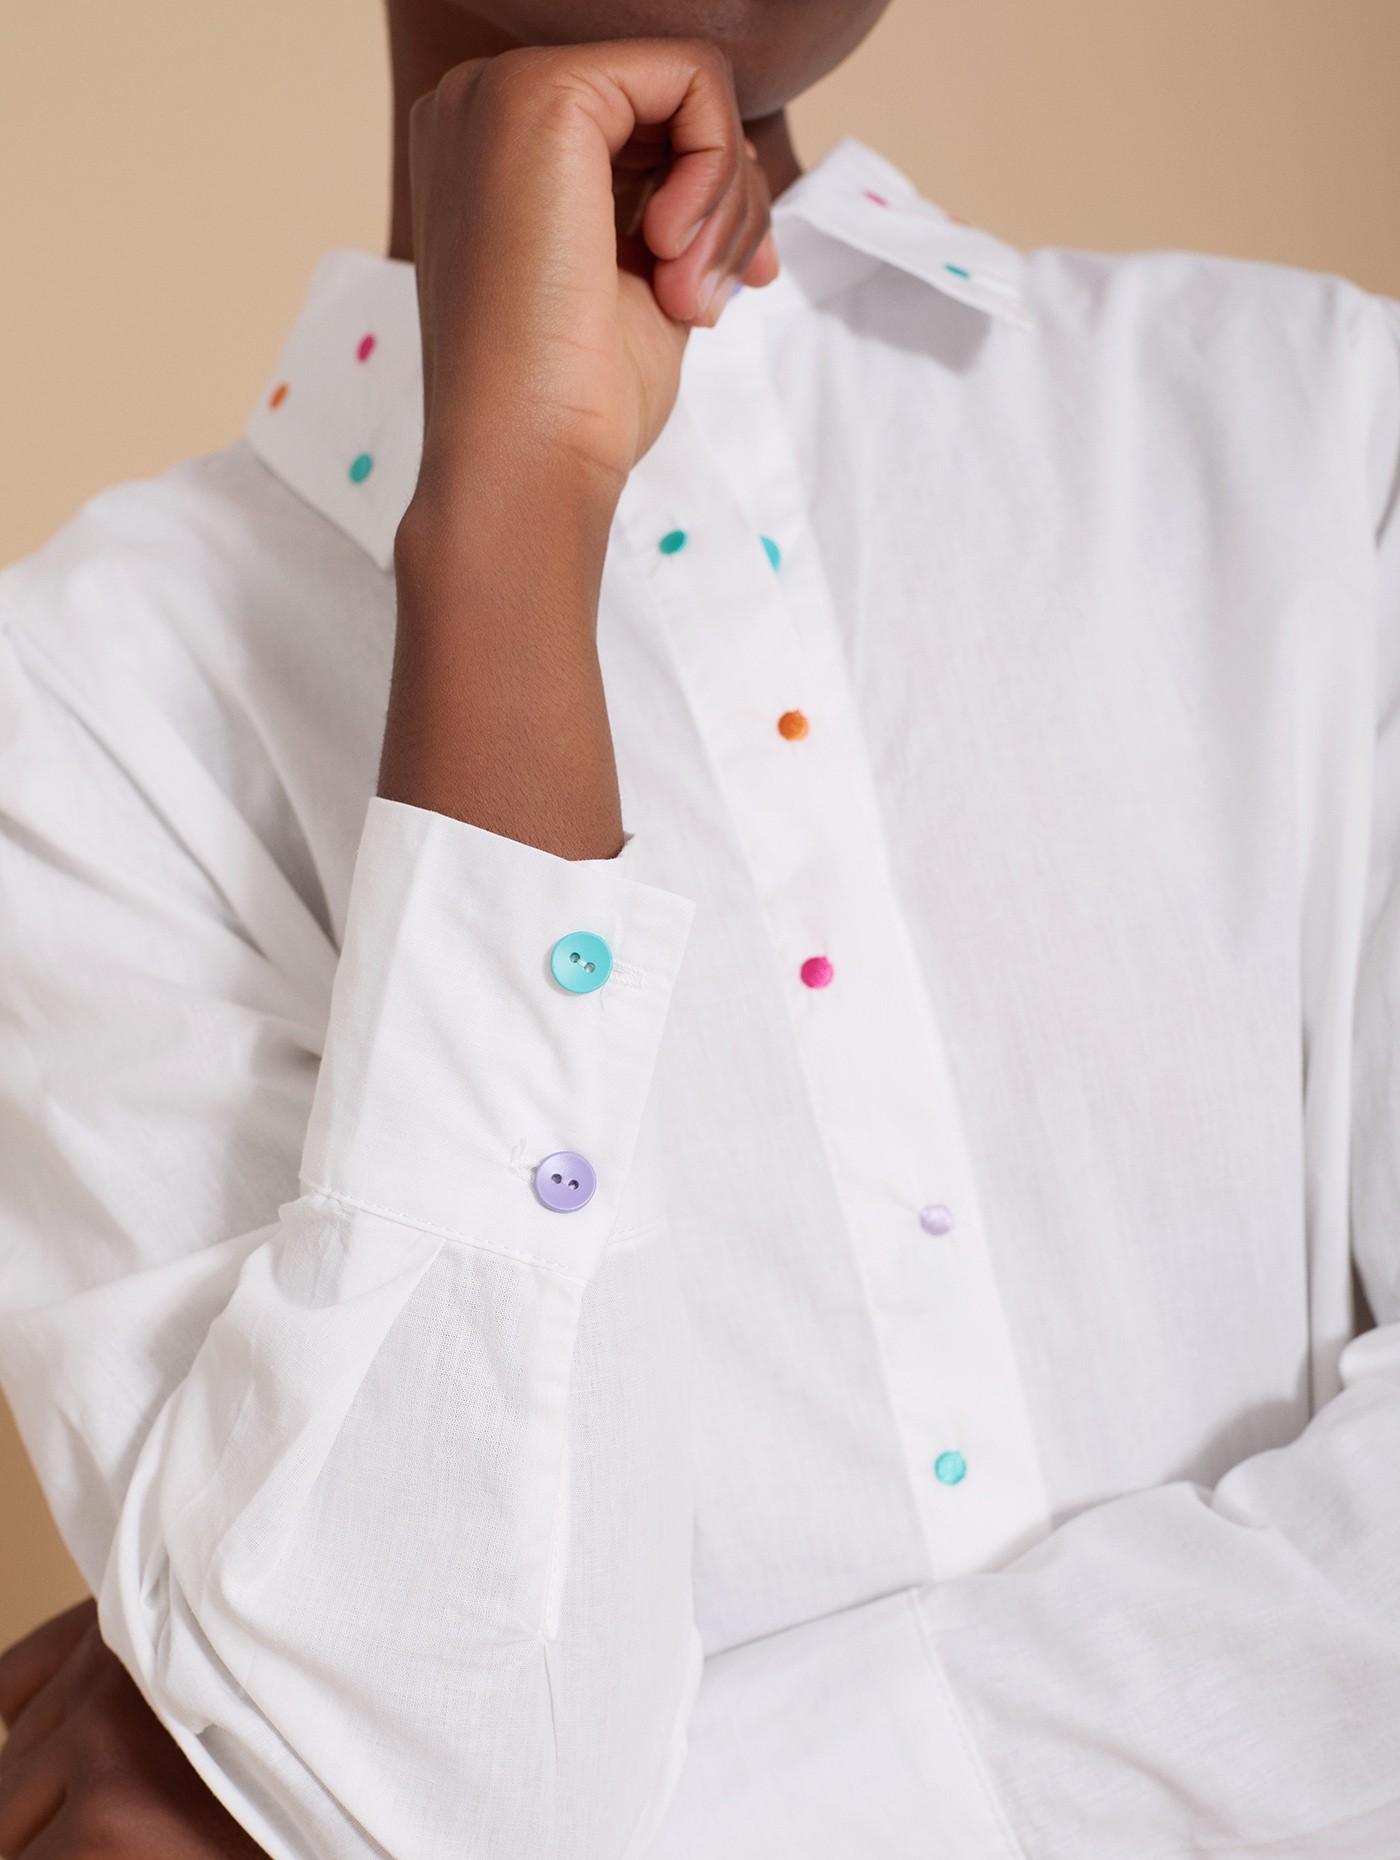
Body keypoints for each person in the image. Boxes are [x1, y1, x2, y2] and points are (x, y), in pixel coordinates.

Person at [2, 0, 1399, 1853]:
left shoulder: (1326, 433)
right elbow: (435, 1771)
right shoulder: (73, 717)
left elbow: (409, 1817)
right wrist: (506, 526)